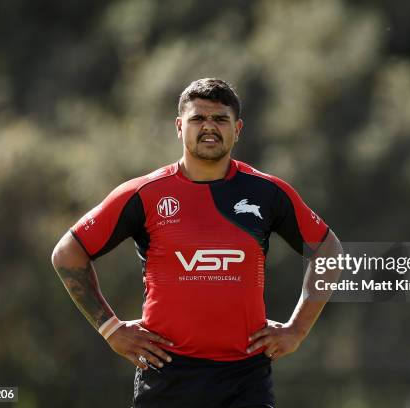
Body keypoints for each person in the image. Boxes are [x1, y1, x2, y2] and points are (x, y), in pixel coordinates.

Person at [51, 78, 343, 408]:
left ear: (238, 129)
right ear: (179, 127)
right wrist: (111, 329)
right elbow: (67, 253)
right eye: (197, 119)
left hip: (245, 378)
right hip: (166, 375)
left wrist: (297, 330)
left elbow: (328, 249)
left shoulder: (268, 193)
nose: (209, 127)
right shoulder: (144, 194)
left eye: (220, 119)